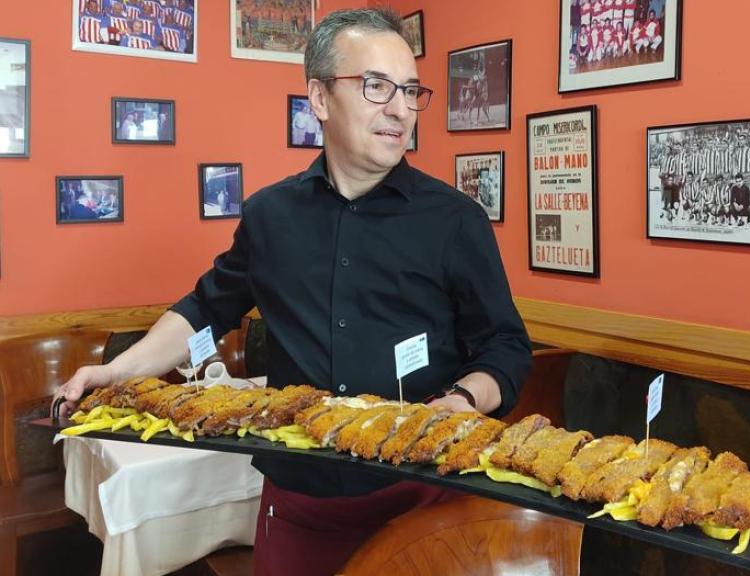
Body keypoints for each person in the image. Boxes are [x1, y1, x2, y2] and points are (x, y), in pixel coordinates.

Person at [53, 9, 531, 576]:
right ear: (320, 99)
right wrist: (118, 371)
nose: (400, 109)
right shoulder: (269, 215)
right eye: (377, 86)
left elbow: (505, 346)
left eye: (409, 90)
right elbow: (206, 310)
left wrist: (464, 401)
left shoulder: (456, 220)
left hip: (423, 504)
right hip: (300, 506)